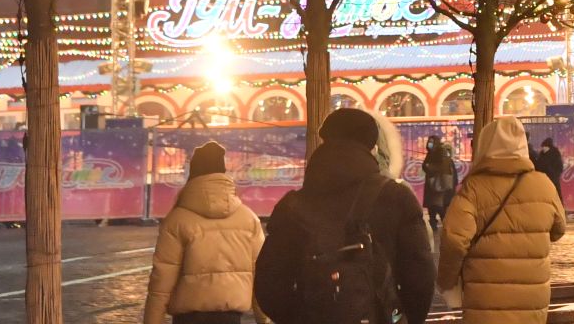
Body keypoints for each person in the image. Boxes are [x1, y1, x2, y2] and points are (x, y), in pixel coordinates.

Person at [256, 106, 435, 324]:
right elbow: (420, 278)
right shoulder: (397, 197)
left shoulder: (292, 206)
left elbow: (269, 286)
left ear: (324, 142)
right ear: (372, 147)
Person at [435, 115, 567, 324]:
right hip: (532, 304)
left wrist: (446, 282)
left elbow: (453, 239)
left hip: (485, 306)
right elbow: (559, 230)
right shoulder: (543, 184)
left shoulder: (474, 188)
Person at [142, 141, 264, 324]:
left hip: (188, 318)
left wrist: (152, 320)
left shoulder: (177, 219)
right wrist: (263, 318)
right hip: (231, 317)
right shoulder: (248, 218)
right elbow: (260, 273)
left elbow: (162, 278)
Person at [423, 134, 459, 232]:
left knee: (438, 207)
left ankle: (445, 226)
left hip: (438, 185)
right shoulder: (432, 153)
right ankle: (436, 224)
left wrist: (429, 167)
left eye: (431, 142)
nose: (429, 144)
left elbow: (436, 167)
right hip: (438, 185)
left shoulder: (440, 153)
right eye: (429, 142)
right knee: (435, 207)